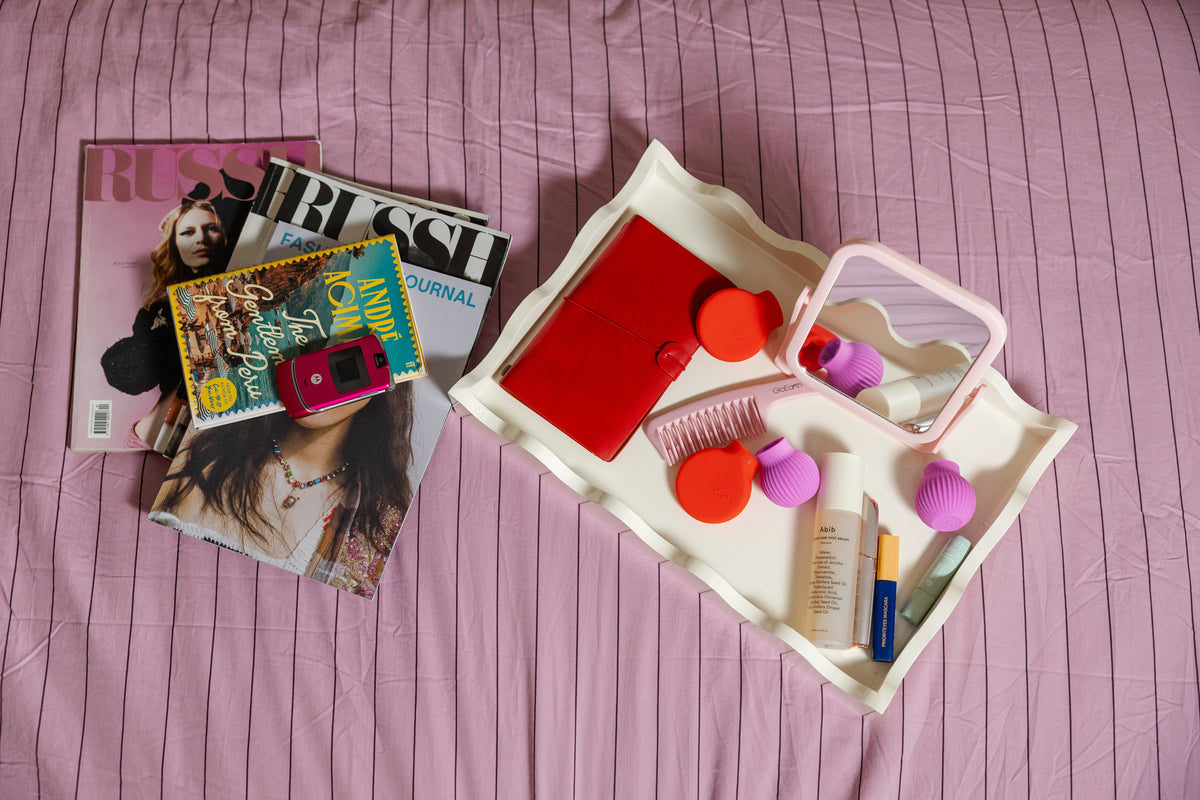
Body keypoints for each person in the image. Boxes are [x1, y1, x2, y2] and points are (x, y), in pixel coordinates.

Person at [148, 380, 415, 598]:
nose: (320, 377)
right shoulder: (202, 443)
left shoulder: (380, 524)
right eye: (318, 349)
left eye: (347, 364)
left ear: (387, 380)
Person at [101, 199, 230, 448]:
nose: (201, 239)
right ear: (174, 244)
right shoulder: (156, 311)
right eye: (188, 232)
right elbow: (135, 375)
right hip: (169, 427)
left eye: (210, 228)